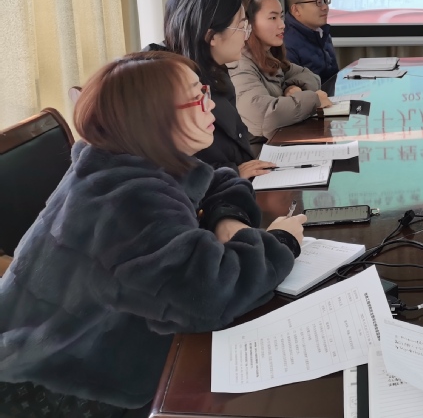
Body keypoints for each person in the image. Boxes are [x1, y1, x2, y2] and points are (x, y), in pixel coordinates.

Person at [0, 51, 305, 415]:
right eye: (197, 97)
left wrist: (228, 219)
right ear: (153, 119)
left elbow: (215, 182)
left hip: (83, 344)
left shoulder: (126, 160)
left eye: (204, 91)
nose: (210, 104)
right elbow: (207, 296)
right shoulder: (126, 200)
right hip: (63, 381)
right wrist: (280, 242)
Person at [149, 0, 274, 179]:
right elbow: (168, 167)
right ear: (212, 36)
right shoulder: (164, 83)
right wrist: (233, 173)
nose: (246, 36)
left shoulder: (213, 67)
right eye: (242, 27)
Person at [233, 0, 332, 144]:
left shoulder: (268, 56)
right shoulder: (239, 64)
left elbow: (310, 76)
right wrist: (314, 100)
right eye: (273, 18)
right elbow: (264, 117)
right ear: (247, 23)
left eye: (281, 16)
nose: (282, 25)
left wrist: (291, 87)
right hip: (256, 151)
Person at [284, 0, 339, 84]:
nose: (325, 7)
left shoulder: (322, 32)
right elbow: (293, 88)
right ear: (296, 9)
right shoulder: (286, 42)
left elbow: (332, 77)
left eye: (325, 0)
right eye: (318, 2)